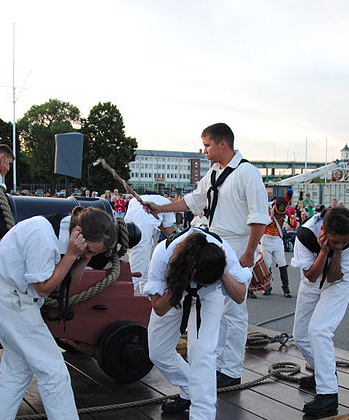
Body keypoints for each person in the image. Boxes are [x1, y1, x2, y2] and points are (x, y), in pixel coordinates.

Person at [0, 206, 117, 420]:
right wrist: (73, 254)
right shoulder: (42, 234)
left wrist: (80, 257)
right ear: (79, 232)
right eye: (91, 249)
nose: (90, 255)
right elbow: (42, 288)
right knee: (53, 370)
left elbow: (68, 283)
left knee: (16, 371)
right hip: (11, 301)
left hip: (6, 300)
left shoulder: (64, 240)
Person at [143, 123, 268, 389]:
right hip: (212, 243)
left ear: (223, 144)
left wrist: (248, 253)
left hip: (236, 244)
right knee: (214, 310)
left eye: (208, 145)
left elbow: (259, 218)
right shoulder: (213, 174)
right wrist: (160, 207)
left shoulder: (248, 173)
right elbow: (192, 201)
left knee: (234, 311)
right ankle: (217, 366)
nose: (204, 151)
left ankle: (231, 370)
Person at [145, 229, 250, 420]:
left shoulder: (221, 254)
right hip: (175, 288)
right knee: (158, 352)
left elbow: (239, 296)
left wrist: (222, 273)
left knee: (201, 352)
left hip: (209, 297)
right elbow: (159, 308)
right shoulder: (163, 255)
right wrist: (180, 283)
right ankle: (190, 390)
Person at [291, 207, 349, 417]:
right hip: (311, 281)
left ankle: (328, 394)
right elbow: (311, 276)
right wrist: (323, 251)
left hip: (338, 283)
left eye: (343, 242)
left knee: (319, 330)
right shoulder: (305, 235)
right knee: (300, 336)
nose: (341, 244)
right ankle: (324, 372)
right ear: (323, 231)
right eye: (336, 241)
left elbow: (333, 277)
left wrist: (336, 250)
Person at [124, 195, 177, 294]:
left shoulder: (134, 200)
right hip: (142, 233)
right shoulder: (167, 203)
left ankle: (147, 300)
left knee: (146, 273)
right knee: (135, 274)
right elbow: (169, 231)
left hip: (127, 230)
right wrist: (161, 223)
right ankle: (119, 302)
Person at [258, 196, 292, 298]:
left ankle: (286, 288)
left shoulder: (285, 213)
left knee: (282, 263)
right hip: (266, 239)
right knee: (267, 264)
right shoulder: (267, 212)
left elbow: (293, 224)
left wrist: (288, 217)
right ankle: (267, 287)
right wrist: (271, 216)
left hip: (277, 239)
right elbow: (264, 223)